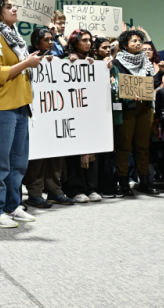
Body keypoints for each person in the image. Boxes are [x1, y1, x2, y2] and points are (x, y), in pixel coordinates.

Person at [0, 0, 41, 228]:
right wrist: (26, 63)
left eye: (15, 6)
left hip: (19, 106)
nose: (15, 9)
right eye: (9, 7)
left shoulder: (14, 37)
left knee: (18, 163)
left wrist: (28, 61)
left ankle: (12, 206)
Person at [24, 28, 74, 208]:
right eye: (46, 40)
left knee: (55, 154)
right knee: (37, 156)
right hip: (36, 113)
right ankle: (35, 193)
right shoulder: (27, 58)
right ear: (36, 43)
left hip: (55, 114)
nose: (51, 42)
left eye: (52, 39)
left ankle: (55, 190)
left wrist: (72, 62)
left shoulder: (58, 61)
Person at [113, 29, 164, 195]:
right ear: (124, 45)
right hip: (128, 109)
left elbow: (151, 85)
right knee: (124, 146)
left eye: (139, 41)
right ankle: (123, 183)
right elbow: (116, 87)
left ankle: (145, 181)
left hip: (145, 108)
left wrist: (161, 73)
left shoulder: (147, 62)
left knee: (143, 146)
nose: (137, 43)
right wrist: (129, 95)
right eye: (133, 41)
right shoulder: (116, 63)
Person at [61, 29, 103, 203]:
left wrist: (104, 67)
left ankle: (91, 187)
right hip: (72, 113)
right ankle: (75, 188)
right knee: (74, 152)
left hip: (90, 113)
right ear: (75, 42)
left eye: (90, 40)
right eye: (84, 40)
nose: (88, 43)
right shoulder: (65, 61)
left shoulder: (95, 62)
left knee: (92, 151)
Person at [93, 36, 123, 198]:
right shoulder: (93, 65)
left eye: (109, 48)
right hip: (100, 117)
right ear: (96, 50)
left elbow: (118, 88)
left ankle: (111, 184)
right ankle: (101, 186)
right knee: (101, 154)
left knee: (112, 153)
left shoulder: (115, 67)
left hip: (116, 116)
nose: (107, 50)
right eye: (104, 48)